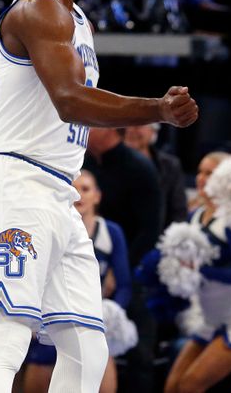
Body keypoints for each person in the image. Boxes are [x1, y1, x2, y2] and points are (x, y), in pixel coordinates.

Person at [0, 0, 198, 393]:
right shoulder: (37, 9)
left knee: (88, 349)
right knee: (7, 337)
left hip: (59, 192)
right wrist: (155, 109)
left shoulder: (77, 19)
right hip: (14, 186)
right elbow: (69, 99)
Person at [22, 169, 130, 393]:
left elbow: (124, 286)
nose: (79, 194)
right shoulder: (46, 226)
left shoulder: (110, 232)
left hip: (91, 318)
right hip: (50, 318)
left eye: (86, 189)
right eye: (74, 188)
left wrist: (108, 312)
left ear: (97, 196)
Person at [164, 152, 231, 393]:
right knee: (173, 386)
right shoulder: (195, 216)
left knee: (190, 385)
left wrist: (201, 270)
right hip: (209, 320)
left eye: (209, 173)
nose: (201, 178)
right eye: (200, 171)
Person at [85, 127, 163, 391]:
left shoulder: (139, 167)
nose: (83, 128)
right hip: (90, 265)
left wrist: (120, 270)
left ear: (109, 130)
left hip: (135, 268)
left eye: (91, 123)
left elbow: (150, 229)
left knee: (139, 354)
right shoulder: (81, 161)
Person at [124, 124, 188, 228]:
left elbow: (178, 212)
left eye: (138, 125)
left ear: (153, 132)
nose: (131, 130)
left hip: (160, 237)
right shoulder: (108, 161)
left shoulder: (170, 166)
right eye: (128, 125)